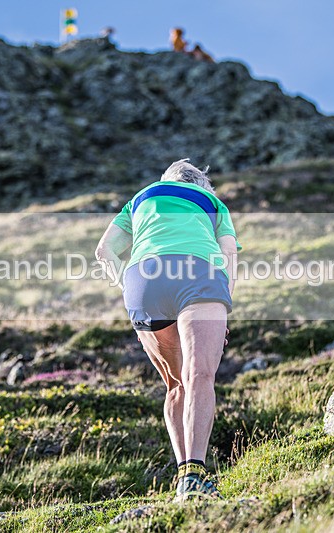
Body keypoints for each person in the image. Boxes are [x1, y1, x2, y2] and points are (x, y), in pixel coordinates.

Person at [95, 159, 240, 501]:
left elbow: (104, 251)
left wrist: (128, 285)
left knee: (176, 384)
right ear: (202, 185)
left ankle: (180, 479)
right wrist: (223, 304)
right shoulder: (213, 203)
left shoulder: (141, 198)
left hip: (143, 279)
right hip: (197, 273)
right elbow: (228, 252)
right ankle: (195, 476)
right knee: (200, 376)